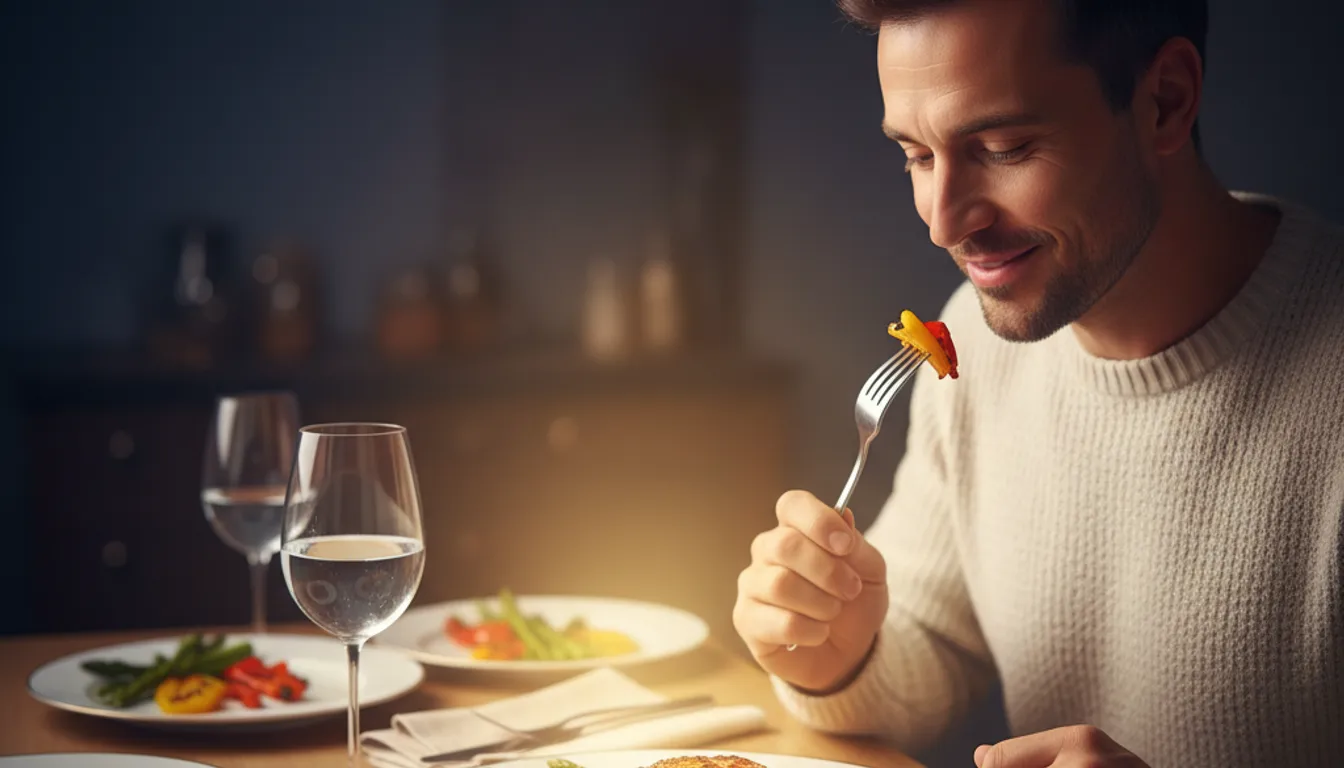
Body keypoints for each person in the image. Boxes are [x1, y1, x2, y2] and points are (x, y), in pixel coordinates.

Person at [732, 1, 1344, 766]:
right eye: (918, 157)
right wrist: (833, 654)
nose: (944, 223)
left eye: (1004, 146)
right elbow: (925, 641)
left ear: (1166, 101)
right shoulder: (975, 346)